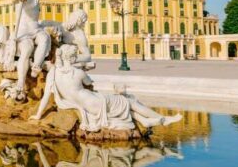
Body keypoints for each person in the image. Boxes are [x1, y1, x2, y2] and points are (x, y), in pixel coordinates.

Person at [32, 45, 182, 130]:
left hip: (86, 105)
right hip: (95, 102)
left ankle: (145, 121)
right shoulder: (78, 72)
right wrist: (83, 66)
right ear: (72, 58)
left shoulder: (53, 72)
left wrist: (38, 115)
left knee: (123, 106)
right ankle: (161, 118)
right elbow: (89, 82)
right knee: (129, 101)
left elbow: (45, 96)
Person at [10, 0, 51, 95]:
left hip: (35, 29)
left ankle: (36, 67)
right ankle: (21, 82)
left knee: (44, 39)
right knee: (27, 49)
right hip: (23, 32)